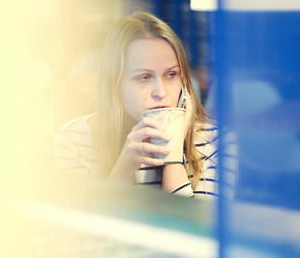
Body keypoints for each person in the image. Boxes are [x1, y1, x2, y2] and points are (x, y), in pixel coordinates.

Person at [54, 11, 221, 199]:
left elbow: (192, 228)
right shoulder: (73, 140)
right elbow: (86, 228)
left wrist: (173, 155)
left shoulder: (214, 141)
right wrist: (125, 166)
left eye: (171, 74)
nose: (161, 92)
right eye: (144, 77)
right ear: (114, 85)